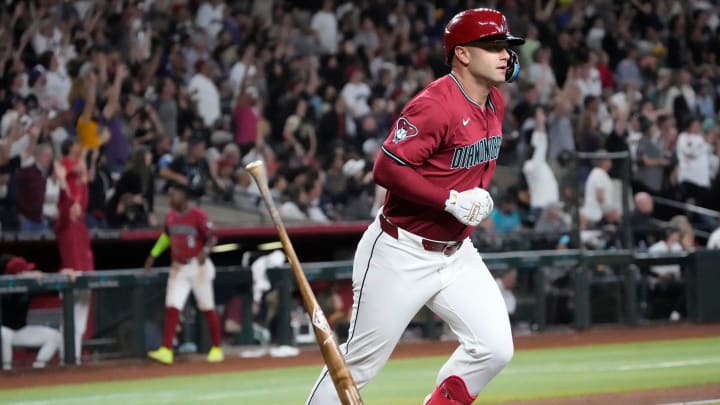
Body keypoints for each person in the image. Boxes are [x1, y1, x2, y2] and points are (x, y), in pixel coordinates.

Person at [307, 8, 523, 405]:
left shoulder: (495, 102)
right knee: (357, 365)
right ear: (462, 54)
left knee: (494, 348)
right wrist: (452, 200)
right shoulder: (435, 104)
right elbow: (385, 167)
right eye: (493, 46)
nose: (505, 55)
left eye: (506, 47)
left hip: (456, 254)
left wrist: (475, 194)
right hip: (400, 250)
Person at [144, 183, 223, 365]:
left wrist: (205, 250)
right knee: (172, 306)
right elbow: (166, 237)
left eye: (174, 195)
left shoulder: (197, 215)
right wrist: (153, 255)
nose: (170, 199)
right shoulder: (170, 216)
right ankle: (166, 350)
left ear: (184, 197)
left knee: (207, 307)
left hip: (197, 266)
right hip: (178, 267)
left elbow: (212, 236)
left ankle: (217, 347)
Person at [53, 139, 93, 364]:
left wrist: (83, 177)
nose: (78, 207)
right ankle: (65, 361)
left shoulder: (81, 224)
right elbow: (66, 203)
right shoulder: (64, 221)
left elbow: (82, 200)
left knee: (80, 323)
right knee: (67, 322)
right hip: (70, 272)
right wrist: (62, 182)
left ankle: (73, 360)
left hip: (85, 270)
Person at [1, 255, 66, 370]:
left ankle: (38, 369)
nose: (30, 272)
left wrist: (61, 274)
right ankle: (6, 373)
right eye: (26, 271)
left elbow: (53, 289)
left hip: (19, 331)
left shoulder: (28, 285)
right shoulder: (4, 286)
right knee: (3, 334)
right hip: (4, 330)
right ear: (18, 274)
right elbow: (10, 296)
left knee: (55, 336)